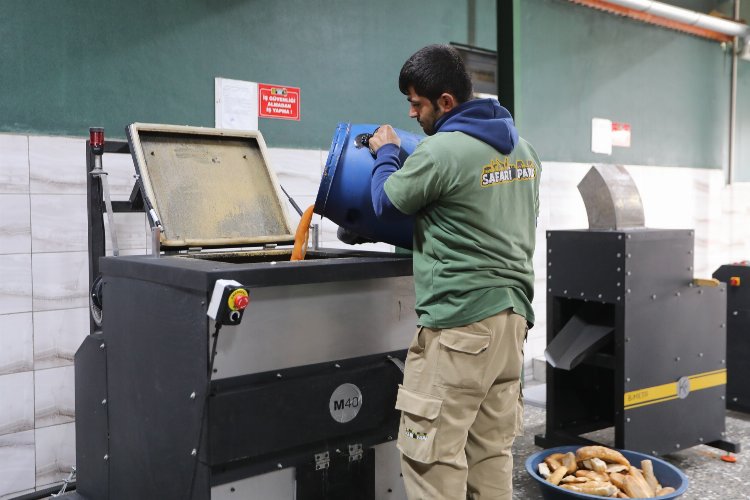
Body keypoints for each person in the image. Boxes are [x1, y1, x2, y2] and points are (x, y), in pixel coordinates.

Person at [367, 44, 541, 500]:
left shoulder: (441, 150)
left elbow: (385, 202)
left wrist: (386, 151)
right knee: (490, 457)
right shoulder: (523, 152)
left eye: (417, 103)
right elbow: (479, 222)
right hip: (511, 327)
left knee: (433, 461)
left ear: (446, 102)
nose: (411, 113)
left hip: (460, 329)